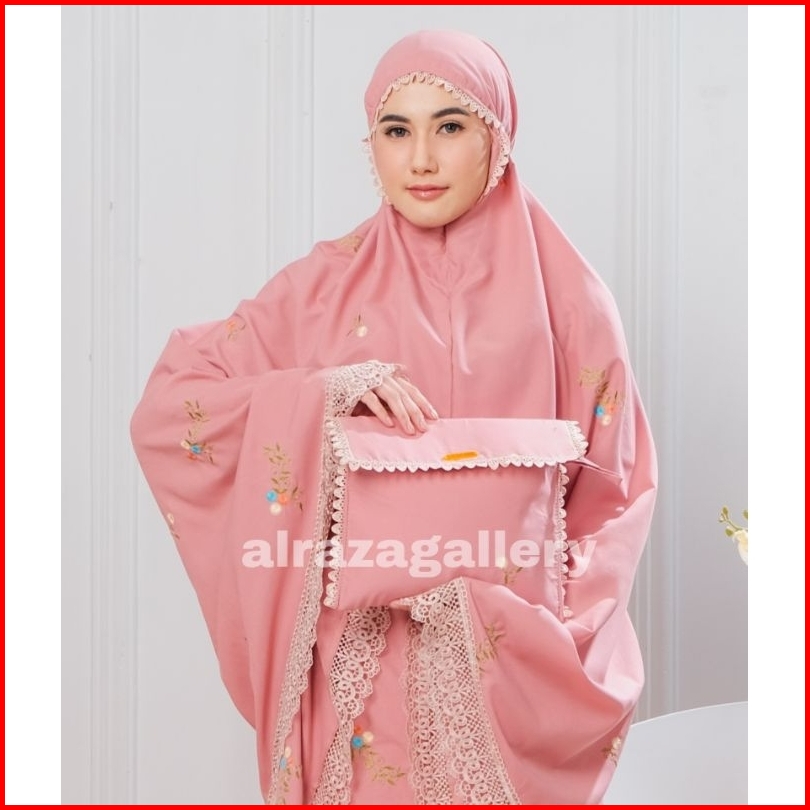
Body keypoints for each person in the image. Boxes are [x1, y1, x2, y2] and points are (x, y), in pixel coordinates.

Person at [131, 29, 657, 805]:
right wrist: (320, 392)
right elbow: (172, 409)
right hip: (357, 696)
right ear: (370, 145)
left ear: (497, 137)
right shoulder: (319, 290)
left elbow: (617, 492)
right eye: (396, 130)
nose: (421, 159)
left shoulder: (570, 303)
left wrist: (558, 642)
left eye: (451, 126)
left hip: (508, 675)